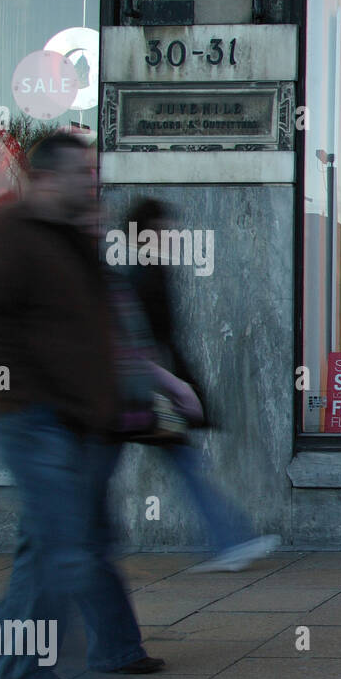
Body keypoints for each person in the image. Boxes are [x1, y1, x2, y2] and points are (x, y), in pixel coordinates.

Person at [0, 131, 164, 679]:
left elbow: (102, 329)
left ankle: (50, 657)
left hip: (74, 419)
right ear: (47, 177)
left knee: (62, 539)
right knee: (61, 542)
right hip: (28, 416)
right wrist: (26, 391)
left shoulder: (69, 238)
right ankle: (31, 672)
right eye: (81, 173)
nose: (90, 182)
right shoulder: (7, 234)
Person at [116, 198, 278, 572]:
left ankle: (231, 539)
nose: (172, 233)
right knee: (182, 465)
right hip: (141, 394)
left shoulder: (151, 273)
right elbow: (143, 344)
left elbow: (166, 341)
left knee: (184, 463)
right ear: (145, 233)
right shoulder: (140, 277)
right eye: (164, 226)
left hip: (146, 394)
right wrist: (178, 387)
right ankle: (231, 540)